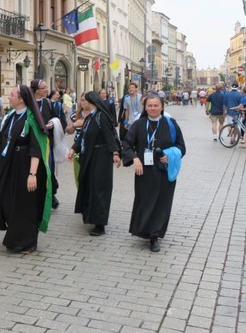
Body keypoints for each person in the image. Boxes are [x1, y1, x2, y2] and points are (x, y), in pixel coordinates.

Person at [0, 85, 51, 254]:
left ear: (22, 99)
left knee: (25, 203)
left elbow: (35, 148)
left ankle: (29, 241)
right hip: (9, 164)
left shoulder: (31, 119)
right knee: (7, 199)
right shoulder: (10, 116)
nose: (9, 97)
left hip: (25, 165)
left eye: (12, 94)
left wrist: (32, 174)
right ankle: (15, 235)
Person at [122, 94, 186, 252]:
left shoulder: (171, 124)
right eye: (149, 105)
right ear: (145, 107)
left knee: (161, 203)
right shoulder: (138, 124)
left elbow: (181, 146)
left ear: (162, 107)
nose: (153, 108)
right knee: (145, 201)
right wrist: (135, 158)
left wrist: (169, 156)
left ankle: (154, 236)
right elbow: (127, 144)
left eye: (156, 105)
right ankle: (143, 229)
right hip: (144, 171)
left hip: (164, 171)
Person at [67, 91, 122, 236]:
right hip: (88, 156)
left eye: (83, 100)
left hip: (101, 156)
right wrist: (73, 149)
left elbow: (109, 135)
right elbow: (83, 136)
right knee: (89, 185)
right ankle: (90, 215)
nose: (81, 102)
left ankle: (100, 224)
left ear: (91, 101)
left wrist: (115, 153)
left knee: (99, 188)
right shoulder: (89, 117)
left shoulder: (101, 116)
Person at [30, 80, 61, 210]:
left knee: (48, 169)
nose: (47, 90)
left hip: (47, 142)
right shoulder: (28, 103)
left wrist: (53, 123)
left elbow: (56, 117)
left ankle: (51, 195)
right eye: (44, 88)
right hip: (32, 142)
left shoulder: (47, 103)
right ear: (36, 90)